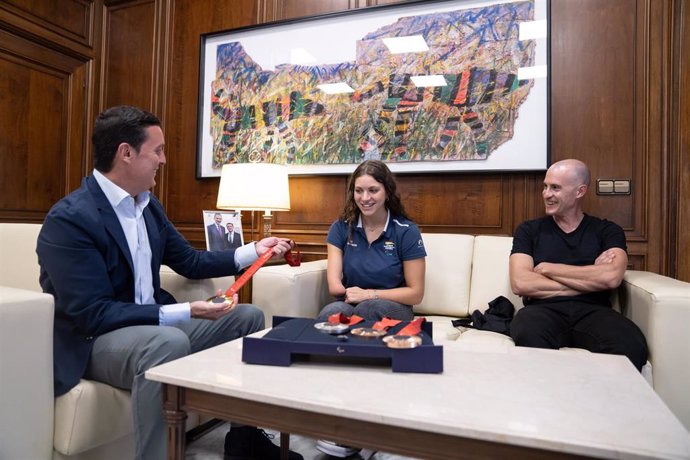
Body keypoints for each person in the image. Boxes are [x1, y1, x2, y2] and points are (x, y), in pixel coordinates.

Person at [36, 106, 302, 460]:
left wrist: (254, 250)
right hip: (92, 340)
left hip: (147, 324)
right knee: (166, 342)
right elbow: (92, 314)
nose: (163, 160)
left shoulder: (148, 205)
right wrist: (185, 310)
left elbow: (190, 262)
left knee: (247, 317)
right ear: (126, 153)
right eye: (157, 150)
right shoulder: (70, 219)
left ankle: (243, 439)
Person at [509, 159, 648, 371]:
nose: (547, 194)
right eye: (545, 187)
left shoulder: (607, 231)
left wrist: (548, 269)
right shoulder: (529, 230)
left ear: (580, 191)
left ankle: (602, 403)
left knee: (630, 342)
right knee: (527, 330)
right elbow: (521, 283)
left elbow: (611, 277)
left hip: (594, 311)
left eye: (555, 188)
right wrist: (590, 279)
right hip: (543, 310)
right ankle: (546, 401)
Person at [316, 160, 426, 322]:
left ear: (387, 192)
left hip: (394, 305)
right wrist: (352, 294)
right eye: (359, 191)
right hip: (350, 301)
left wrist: (369, 295)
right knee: (332, 312)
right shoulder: (340, 228)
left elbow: (416, 294)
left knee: (368, 308)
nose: (365, 198)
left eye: (373, 190)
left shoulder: (406, 231)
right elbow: (335, 287)